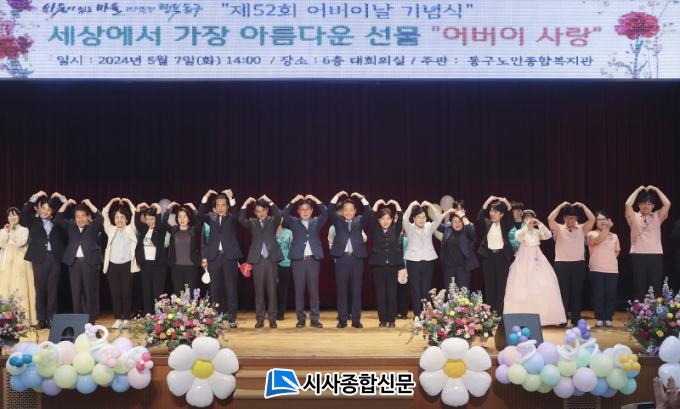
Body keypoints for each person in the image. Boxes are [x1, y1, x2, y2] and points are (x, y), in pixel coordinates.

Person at [504, 210, 566, 326]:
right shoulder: (521, 231)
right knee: (522, 287)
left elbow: (548, 235)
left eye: (531, 218)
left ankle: (544, 317)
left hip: (537, 259)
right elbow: (517, 237)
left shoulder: (537, 232)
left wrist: (540, 224)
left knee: (542, 285)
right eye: (526, 218)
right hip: (523, 259)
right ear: (523, 220)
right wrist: (526, 227)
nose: (529, 220)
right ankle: (522, 317)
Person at [21, 191, 67, 329]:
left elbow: (69, 213)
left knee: (53, 289)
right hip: (39, 258)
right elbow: (24, 212)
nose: (45, 212)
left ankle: (51, 319)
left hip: (55, 257)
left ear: (52, 211)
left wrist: (62, 198)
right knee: (40, 289)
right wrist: (36, 195)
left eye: (48, 209)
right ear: (39, 209)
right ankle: (41, 319)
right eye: (43, 208)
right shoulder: (33, 221)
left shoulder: (57, 221)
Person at [197, 189, 242, 327]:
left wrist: (231, 197)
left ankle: (232, 318)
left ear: (227, 206)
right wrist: (205, 196)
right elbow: (199, 215)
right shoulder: (211, 218)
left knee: (231, 288)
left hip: (230, 258)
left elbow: (237, 214)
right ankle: (216, 318)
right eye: (218, 205)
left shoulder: (232, 218)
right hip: (214, 258)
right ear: (215, 207)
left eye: (223, 205)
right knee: (215, 289)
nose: (221, 208)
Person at [283, 194, 328, 329]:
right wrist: (294, 200)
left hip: (313, 260)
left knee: (314, 291)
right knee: (299, 291)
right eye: (302, 209)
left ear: (312, 210)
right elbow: (283, 213)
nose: (305, 212)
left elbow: (326, 213)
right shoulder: (293, 222)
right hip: (298, 261)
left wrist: (315, 199)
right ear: (298, 211)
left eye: (308, 209)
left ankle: (315, 319)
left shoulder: (316, 221)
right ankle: (301, 319)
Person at [328, 191, 372, 328]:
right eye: (345, 210)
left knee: (356, 291)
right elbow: (330, 209)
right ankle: (342, 320)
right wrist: (337, 196)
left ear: (355, 211)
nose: (348, 212)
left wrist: (362, 198)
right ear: (342, 211)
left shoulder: (360, 221)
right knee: (341, 291)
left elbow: (368, 212)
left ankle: (356, 320)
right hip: (341, 259)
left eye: (350, 210)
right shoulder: (337, 221)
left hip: (356, 260)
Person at [548, 201, 595, 327]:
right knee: (563, 292)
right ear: (564, 218)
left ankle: (576, 318)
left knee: (577, 292)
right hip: (561, 264)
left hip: (578, 264)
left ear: (576, 219)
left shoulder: (582, 228)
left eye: (573, 218)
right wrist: (560, 206)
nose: (570, 220)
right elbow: (550, 219)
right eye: (568, 218)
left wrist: (583, 206)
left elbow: (592, 219)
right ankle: (562, 319)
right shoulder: (558, 228)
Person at [55, 198, 103, 323]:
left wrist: (89, 203)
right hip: (74, 263)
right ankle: (78, 320)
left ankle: (91, 320)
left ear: (88, 217)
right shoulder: (71, 226)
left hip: (89, 263)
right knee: (76, 292)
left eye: (83, 216)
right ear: (74, 218)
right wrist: (66, 203)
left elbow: (100, 217)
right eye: (77, 216)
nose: (80, 219)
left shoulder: (93, 226)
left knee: (89, 292)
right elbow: (58, 217)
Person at [239, 195, 283, 329]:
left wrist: (270, 201)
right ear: (255, 212)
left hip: (271, 260)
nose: (261, 213)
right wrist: (246, 203)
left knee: (272, 292)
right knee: (259, 293)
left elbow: (279, 214)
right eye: (258, 211)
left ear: (267, 210)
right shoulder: (252, 222)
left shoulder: (273, 220)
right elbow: (240, 219)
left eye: (263, 210)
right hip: (257, 261)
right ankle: (260, 319)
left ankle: (272, 319)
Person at [626, 185, 672, 299]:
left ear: (653, 206)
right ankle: (639, 309)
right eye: (642, 203)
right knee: (639, 285)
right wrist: (638, 190)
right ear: (638, 205)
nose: (645, 206)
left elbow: (667, 204)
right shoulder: (633, 216)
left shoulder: (657, 216)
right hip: (638, 254)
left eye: (649, 204)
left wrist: (656, 189)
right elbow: (628, 204)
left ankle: (657, 309)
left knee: (656, 285)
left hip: (655, 254)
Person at [102, 198, 139, 330]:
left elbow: (136, 214)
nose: (119, 220)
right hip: (112, 266)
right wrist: (112, 201)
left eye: (122, 217)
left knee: (126, 293)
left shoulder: (131, 229)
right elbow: (104, 213)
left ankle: (126, 319)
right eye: (117, 217)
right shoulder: (110, 229)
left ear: (126, 219)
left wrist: (129, 202)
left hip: (127, 265)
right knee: (115, 293)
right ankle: (118, 318)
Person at [403, 200, 443, 318]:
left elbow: (438, 218)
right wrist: (411, 205)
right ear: (414, 219)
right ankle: (417, 314)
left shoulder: (429, 226)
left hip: (428, 260)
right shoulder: (409, 227)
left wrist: (430, 205)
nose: (421, 220)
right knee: (415, 289)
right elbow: (404, 218)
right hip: (413, 261)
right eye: (419, 217)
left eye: (423, 217)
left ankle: (426, 314)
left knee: (426, 288)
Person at [368, 199, 403, 327]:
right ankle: (382, 320)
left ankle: (391, 320)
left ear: (392, 219)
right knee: (381, 294)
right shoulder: (375, 229)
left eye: (388, 218)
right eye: (383, 218)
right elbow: (371, 217)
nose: (385, 221)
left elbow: (401, 218)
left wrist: (396, 204)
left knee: (392, 294)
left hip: (392, 266)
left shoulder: (395, 229)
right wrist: (377, 204)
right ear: (379, 220)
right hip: (378, 267)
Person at [0, 207, 37, 326]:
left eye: (15, 215)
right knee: (6, 288)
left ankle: (23, 320)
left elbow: (21, 242)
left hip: (20, 261)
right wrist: (7, 231)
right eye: (10, 215)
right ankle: (6, 320)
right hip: (6, 263)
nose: (12, 217)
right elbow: (2, 244)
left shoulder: (24, 229)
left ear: (19, 217)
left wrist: (13, 231)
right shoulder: (3, 230)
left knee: (21, 287)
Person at [477, 196, 514, 315]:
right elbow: (480, 217)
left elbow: (511, 217)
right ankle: (490, 313)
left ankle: (500, 313)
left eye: (495, 212)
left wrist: (506, 202)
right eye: (491, 211)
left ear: (501, 214)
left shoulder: (505, 224)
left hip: (502, 258)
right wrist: (487, 202)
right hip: (488, 258)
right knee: (489, 286)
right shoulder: (487, 223)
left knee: (501, 286)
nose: (492, 214)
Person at [587, 211, 620, 328]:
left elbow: (617, 250)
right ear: (596, 222)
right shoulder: (591, 234)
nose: (602, 222)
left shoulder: (614, 236)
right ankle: (600, 317)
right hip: (596, 269)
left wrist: (610, 259)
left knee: (610, 295)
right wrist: (607, 228)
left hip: (612, 270)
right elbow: (598, 240)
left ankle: (608, 317)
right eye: (599, 219)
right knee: (598, 295)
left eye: (604, 219)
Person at [135, 203, 168, 314]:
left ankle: (159, 316)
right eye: (147, 219)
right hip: (145, 265)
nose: (150, 221)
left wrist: (158, 208)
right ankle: (148, 314)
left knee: (158, 292)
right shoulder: (144, 229)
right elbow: (136, 222)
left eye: (152, 219)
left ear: (156, 219)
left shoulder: (160, 229)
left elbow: (159, 223)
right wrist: (138, 208)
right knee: (146, 291)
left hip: (158, 266)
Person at [164, 202, 201, 295]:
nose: (182, 219)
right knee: (178, 294)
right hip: (176, 267)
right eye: (180, 217)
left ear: (189, 218)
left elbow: (199, 221)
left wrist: (194, 209)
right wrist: (168, 208)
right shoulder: (174, 230)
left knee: (190, 295)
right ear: (177, 218)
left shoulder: (193, 230)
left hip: (191, 267)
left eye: (184, 216)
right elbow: (164, 223)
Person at [437, 206, 478, 290]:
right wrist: (447, 212)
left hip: (463, 268)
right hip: (449, 268)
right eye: (455, 221)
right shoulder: (447, 228)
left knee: (463, 293)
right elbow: (436, 224)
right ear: (451, 223)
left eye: (459, 221)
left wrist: (463, 216)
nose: (457, 224)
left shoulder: (467, 230)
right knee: (449, 293)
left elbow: (472, 230)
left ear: (463, 222)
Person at [275, 220, 292, 320]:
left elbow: (291, 248)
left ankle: (281, 313)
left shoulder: (288, 232)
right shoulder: (270, 231)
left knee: (283, 289)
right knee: (273, 288)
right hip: (273, 264)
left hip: (286, 263)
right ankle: (273, 311)